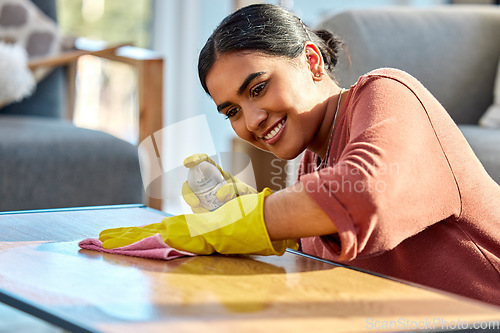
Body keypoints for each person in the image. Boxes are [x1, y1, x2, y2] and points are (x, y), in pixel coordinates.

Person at [99, 4, 500, 306]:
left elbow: (365, 194)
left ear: (311, 61)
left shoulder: (389, 93)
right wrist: (250, 216)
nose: (252, 120)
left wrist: (247, 220)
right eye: (232, 111)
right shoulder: (311, 160)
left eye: (257, 88)